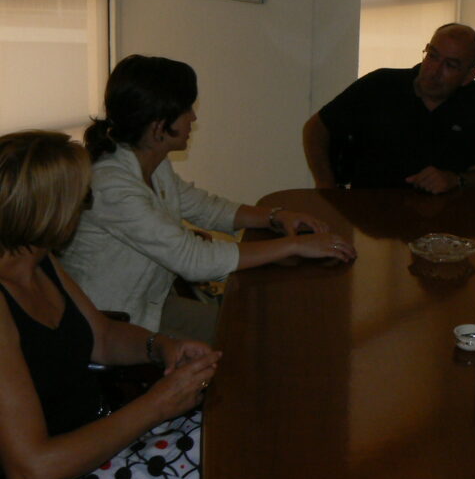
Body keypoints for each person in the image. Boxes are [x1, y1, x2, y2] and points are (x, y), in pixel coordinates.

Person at [60, 55, 357, 344]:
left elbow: (203, 207)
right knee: (251, 341)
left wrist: (274, 216)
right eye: (186, 109)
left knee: (259, 330)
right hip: (113, 323)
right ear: (158, 126)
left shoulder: (151, 160)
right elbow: (193, 260)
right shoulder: (112, 188)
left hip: (151, 305)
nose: (194, 117)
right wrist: (295, 245)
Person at [0, 130, 221, 479]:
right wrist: (155, 406)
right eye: (80, 196)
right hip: (67, 468)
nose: (85, 206)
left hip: (100, 439)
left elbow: (100, 336)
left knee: (236, 424)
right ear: (46, 208)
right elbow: (32, 469)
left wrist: (160, 346)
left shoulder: (39, 260)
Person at [303, 23, 475, 194]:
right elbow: (316, 128)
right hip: (370, 213)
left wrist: (455, 180)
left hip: (447, 217)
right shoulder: (380, 85)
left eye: (450, 65)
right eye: (432, 56)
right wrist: (325, 185)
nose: (434, 70)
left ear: (469, 76)